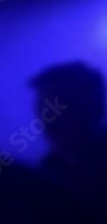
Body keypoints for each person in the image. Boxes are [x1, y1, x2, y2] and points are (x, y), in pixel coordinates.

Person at [30, 62, 107, 207]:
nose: (48, 121)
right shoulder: (50, 167)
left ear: (95, 109)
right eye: (42, 108)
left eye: (60, 109)